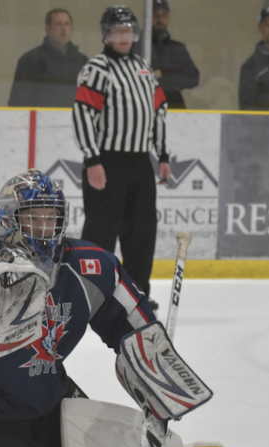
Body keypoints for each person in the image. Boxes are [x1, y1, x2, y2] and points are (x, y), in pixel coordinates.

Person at [0, 170, 230, 447]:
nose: (45, 226)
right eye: (33, 216)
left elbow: (131, 323)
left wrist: (154, 364)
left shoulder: (90, 267)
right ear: (7, 219)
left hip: (48, 396)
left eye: (51, 216)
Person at [73, 6, 171, 309]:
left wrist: (163, 155)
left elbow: (159, 112)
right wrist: (92, 160)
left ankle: (136, 293)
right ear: (106, 34)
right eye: (118, 31)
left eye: (128, 30)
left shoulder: (143, 68)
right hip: (107, 160)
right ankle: (91, 293)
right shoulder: (97, 68)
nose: (124, 36)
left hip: (140, 162)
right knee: (102, 229)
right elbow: (83, 114)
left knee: (142, 230)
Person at [8, 8, 89, 108]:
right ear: (48, 29)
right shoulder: (31, 60)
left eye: (67, 24)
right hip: (40, 122)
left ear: (71, 29)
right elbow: (19, 102)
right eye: (58, 24)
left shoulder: (83, 63)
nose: (63, 29)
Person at [149, 0, 199, 110]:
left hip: (173, 106)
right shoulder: (140, 47)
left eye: (163, 15)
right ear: (148, 16)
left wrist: (163, 74)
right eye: (156, 15)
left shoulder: (177, 49)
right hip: (146, 106)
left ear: (168, 17)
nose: (160, 19)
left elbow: (193, 78)